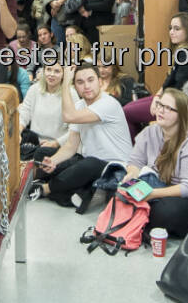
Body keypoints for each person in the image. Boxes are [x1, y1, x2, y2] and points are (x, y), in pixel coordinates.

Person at [34, 63, 134, 210]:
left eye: (90, 80)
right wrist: (53, 161)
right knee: (43, 153)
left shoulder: (108, 104)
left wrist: (66, 83)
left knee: (89, 164)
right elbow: (70, 146)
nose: (86, 86)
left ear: (100, 82)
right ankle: (75, 191)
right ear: (76, 86)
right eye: (80, 82)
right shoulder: (81, 105)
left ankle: (46, 189)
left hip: (114, 166)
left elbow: (68, 116)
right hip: (88, 160)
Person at [124, 87, 188, 239]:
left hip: (182, 200)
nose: (161, 110)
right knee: (118, 189)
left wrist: (152, 194)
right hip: (153, 187)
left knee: (168, 212)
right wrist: (132, 175)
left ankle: (138, 218)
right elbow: (135, 162)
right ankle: (142, 220)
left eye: (169, 108)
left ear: (180, 115)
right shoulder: (150, 132)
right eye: (160, 105)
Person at [124, 11, 188, 132]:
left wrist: (160, 101)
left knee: (127, 112)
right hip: (171, 96)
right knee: (128, 108)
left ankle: (137, 149)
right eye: (170, 28)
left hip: (181, 103)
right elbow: (170, 79)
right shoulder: (186, 49)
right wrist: (157, 96)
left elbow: (181, 87)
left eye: (177, 29)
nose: (171, 32)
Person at [19, 63, 69, 160]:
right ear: (44, 71)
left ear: (64, 74)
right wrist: (18, 132)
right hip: (35, 141)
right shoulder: (34, 89)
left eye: (57, 71)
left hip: (57, 145)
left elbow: (75, 130)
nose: (51, 74)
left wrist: (56, 143)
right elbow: (24, 113)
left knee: (40, 153)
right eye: (49, 69)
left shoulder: (70, 93)